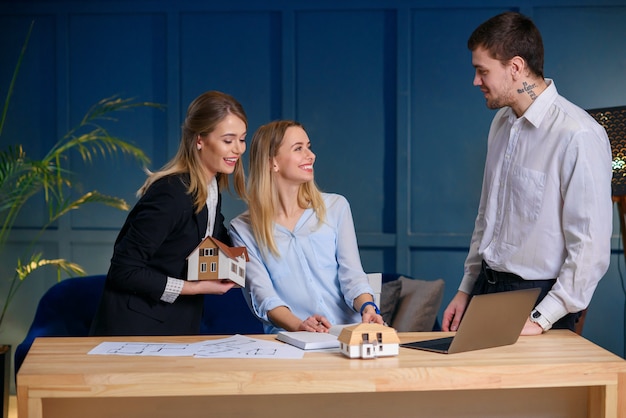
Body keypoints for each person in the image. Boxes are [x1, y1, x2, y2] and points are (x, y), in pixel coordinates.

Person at [442, 12, 613, 335]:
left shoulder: (577, 135)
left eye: (482, 71)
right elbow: (486, 218)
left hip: (536, 302)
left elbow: (589, 248)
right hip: (486, 288)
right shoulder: (501, 124)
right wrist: (467, 289)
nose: (476, 82)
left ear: (516, 67)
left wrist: (540, 318)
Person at [90, 90, 248, 336]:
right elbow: (124, 270)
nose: (238, 149)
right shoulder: (170, 193)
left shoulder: (212, 186)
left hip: (177, 326)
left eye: (242, 139)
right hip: (133, 330)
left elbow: (216, 243)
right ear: (200, 140)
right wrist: (195, 288)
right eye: (228, 140)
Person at [228, 120, 384, 334]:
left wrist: (368, 306)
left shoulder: (336, 207)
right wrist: (299, 326)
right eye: (298, 148)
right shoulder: (243, 229)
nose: (311, 155)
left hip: (348, 336)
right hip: (291, 342)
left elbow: (353, 276)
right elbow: (263, 296)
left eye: (308, 147)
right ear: (272, 162)